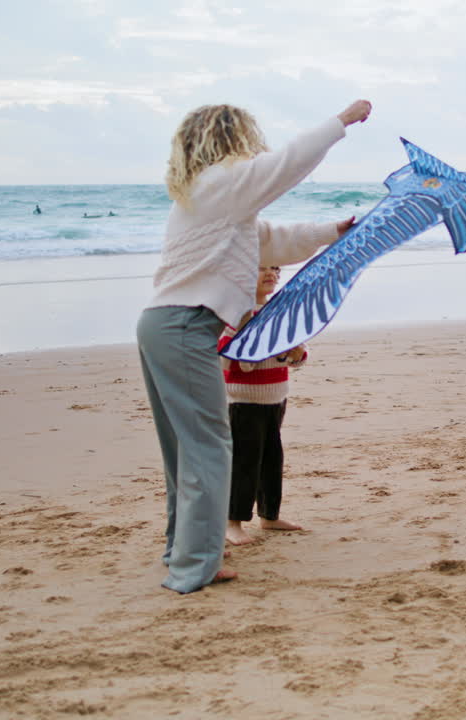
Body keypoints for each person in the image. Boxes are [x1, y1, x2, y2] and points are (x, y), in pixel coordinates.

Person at [136, 99, 372, 593]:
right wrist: (340, 123)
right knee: (208, 448)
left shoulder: (209, 198)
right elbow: (285, 164)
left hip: (164, 326)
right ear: (228, 140)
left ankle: (182, 550)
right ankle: (196, 565)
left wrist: (333, 232)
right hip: (183, 327)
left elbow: (269, 240)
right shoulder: (222, 186)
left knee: (185, 450)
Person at [217, 265, 312, 546]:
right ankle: (232, 521)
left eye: (275, 269)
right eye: (262, 269)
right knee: (244, 461)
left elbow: (300, 353)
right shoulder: (235, 313)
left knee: (272, 459)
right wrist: (260, 348)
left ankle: (270, 515)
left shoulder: (280, 311)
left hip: (275, 395)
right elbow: (227, 358)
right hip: (244, 399)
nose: (271, 273)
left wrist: (296, 353)